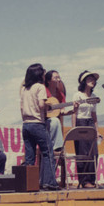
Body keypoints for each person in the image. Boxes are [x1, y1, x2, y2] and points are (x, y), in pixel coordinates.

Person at [20, 63, 60, 191]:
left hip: (25, 125)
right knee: (48, 153)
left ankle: (28, 184)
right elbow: (41, 105)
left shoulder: (25, 89)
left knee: (29, 157)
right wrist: (49, 106)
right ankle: (48, 183)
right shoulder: (40, 87)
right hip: (37, 124)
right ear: (39, 74)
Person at [72, 70, 101, 188]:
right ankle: (84, 181)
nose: (92, 81)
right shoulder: (77, 95)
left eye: (94, 79)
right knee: (82, 153)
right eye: (89, 79)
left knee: (94, 152)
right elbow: (74, 113)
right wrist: (74, 128)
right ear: (84, 81)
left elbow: (94, 115)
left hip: (90, 123)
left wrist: (97, 130)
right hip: (80, 122)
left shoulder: (93, 97)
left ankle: (91, 179)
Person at [44, 70, 76, 152]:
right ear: (48, 81)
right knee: (55, 121)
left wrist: (74, 110)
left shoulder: (60, 94)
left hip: (52, 122)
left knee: (55, 121)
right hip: (42, 120)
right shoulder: (43, 91)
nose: (58, 80)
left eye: (59, 77)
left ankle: (57, 148)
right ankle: (58, 147)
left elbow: (62, 112)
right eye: (55, 78)